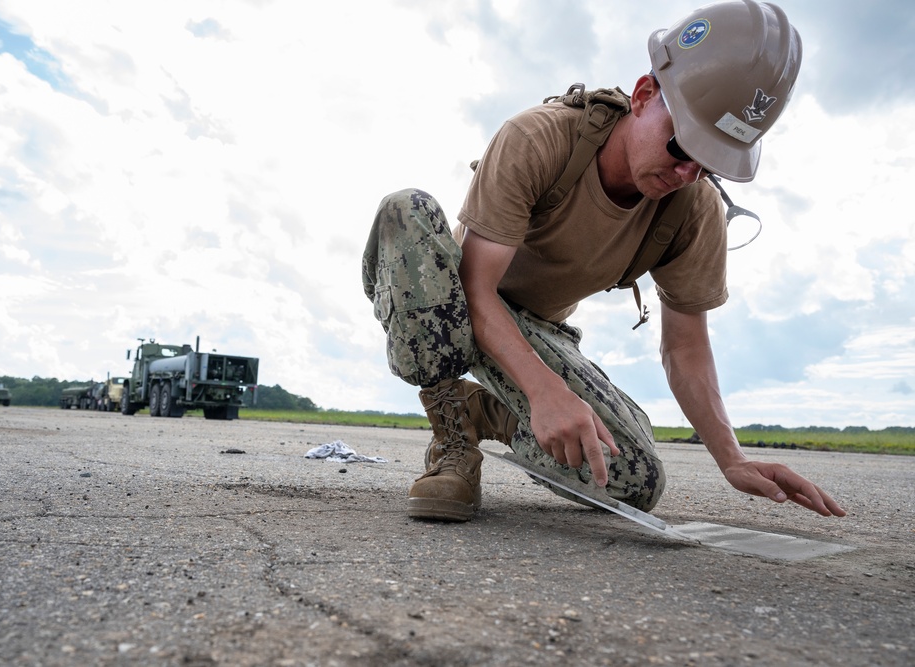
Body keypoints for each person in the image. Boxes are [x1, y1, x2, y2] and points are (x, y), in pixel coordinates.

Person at [362, 0, 845, 523]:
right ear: (643, 95)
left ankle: (491, 411)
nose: (686, 173)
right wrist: (545, 393)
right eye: (682, 146)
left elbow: (684, 347)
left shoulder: (692, 209)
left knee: (636, 478)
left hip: (539, 331)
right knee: (405, 210)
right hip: (454, 302)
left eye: (708, 165)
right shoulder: (537, 138)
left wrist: (732, 459)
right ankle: (451, 434)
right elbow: (477, 291)